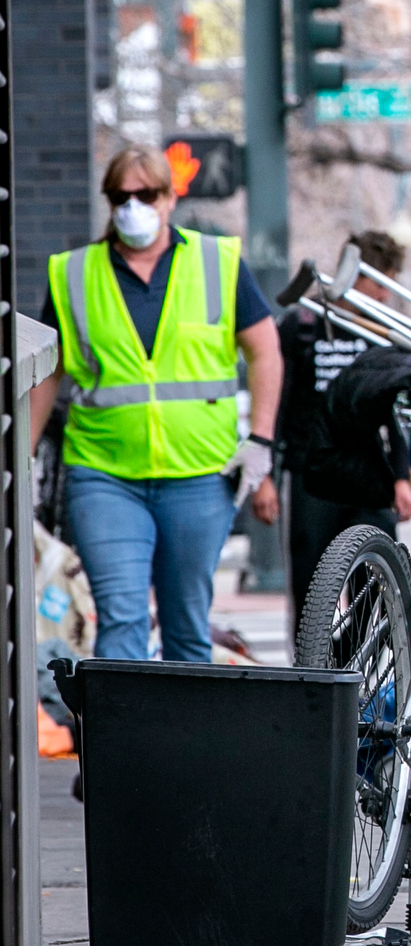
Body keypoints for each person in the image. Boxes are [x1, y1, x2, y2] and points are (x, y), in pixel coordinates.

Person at [28, 147, 282, 662]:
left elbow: (264, 351)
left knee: (186, 622)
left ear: (169, 198)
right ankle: (123, 745)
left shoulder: (218, 262)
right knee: (120, 618)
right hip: (104, 476)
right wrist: (20, 457)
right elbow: (46, 372)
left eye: (146, 194)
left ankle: (188, 744)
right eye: (121, 196)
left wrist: (259, 441)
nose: (132, 207)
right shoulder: (73, 274)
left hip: (200, 477)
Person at [277, 228, 411, 621]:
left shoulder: (382, 334)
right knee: (309, 590)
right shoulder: (301, 325)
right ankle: (314, 674)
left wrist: (401, 476)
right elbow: (280, 402)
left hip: (367, 473)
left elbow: (394, 409)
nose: (385, 295)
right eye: (380, 283)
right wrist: (269, 478)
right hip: (311, 474)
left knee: (376, 585)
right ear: (356, 277)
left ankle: (361, 671)